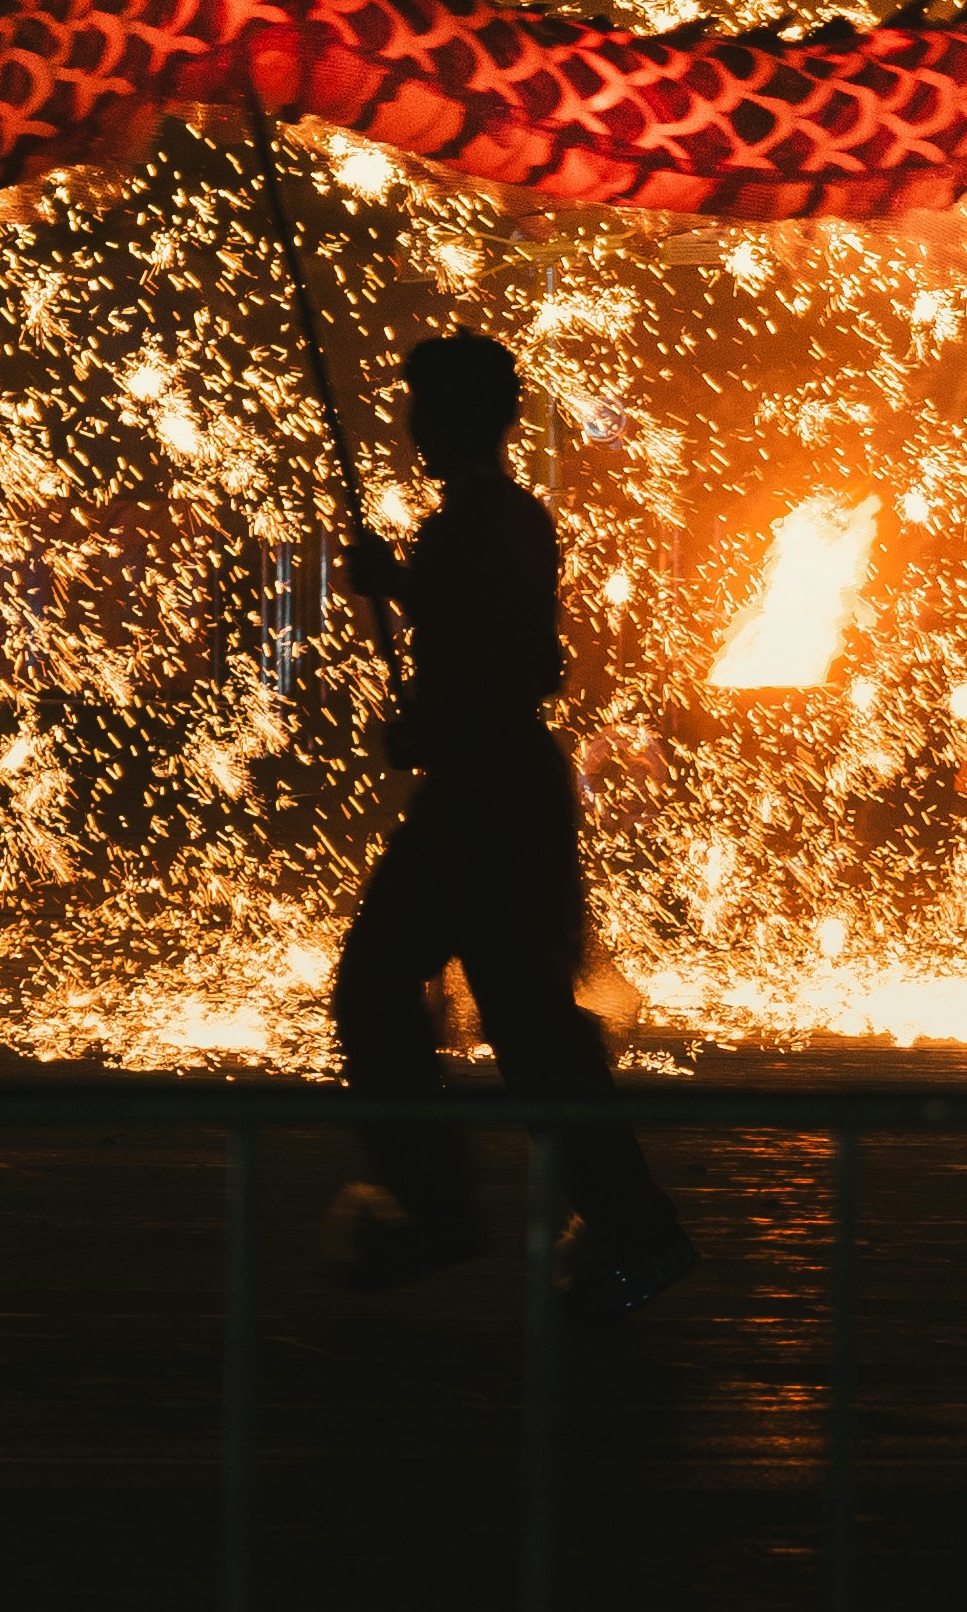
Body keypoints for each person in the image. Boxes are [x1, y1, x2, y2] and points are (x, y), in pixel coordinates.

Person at [322, 334, 700, 1318]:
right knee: (433, 998)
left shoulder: (480, 528)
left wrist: (427, 716)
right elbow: (494, 637)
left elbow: (521, 667)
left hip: (487, 799)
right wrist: (400, 588)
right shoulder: (489, 523)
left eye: (424, 408)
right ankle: (589, 1223)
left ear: (455, 418)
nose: (412, 427)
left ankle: (550, 1220)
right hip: (484, 793)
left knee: (498, 1020)